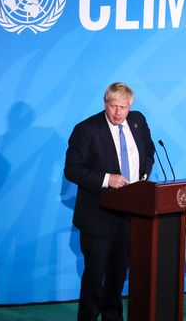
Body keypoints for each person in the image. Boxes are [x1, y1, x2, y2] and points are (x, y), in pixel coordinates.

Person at [65, 82, 155, 321]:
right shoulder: (86, 129)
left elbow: (148, 150)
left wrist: (143, 174)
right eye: (113, 106)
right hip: (98, 215)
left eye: (122, 107)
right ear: (105, 104)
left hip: (130, 214)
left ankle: (113, 317)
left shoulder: (138, 121)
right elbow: (72, 170)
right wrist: (107, 179)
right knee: (95, 275)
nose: (118, 113)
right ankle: (88, 318)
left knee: (119, 273)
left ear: (130, 106)